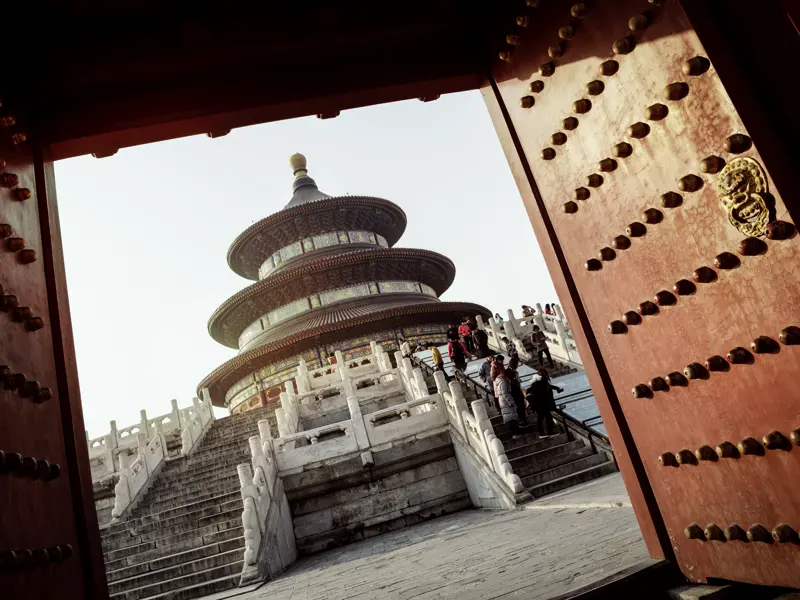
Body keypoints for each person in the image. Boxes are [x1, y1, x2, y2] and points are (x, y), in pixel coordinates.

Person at [526, 368, 563, 438]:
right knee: (542, 418)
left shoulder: (537, 382)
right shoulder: (541, 382)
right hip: (540, 404)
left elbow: (531, 391)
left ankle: (547, 432)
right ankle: (544, 433)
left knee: (546, 417)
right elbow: (543, 390)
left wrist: (557, 389)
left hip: (541, 404)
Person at [493, 361, 522, 439]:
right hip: (506, 402)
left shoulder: (500, 381)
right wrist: (511, 402)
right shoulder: (503, 382)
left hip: (503, 402)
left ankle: (515, 432)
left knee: (510, 417)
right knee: (511, 417)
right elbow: (505, 393)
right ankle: (515, 432)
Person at [506, 356, 529, 426]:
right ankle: (522, 421)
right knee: (519, 407)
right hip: (513, 392)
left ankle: (524, 420)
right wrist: (514, 381)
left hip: (518, 391)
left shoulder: (515, 371)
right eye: (517, 364)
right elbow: (508, 383)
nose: (518, 366)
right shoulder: (507, 372)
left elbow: (518, 382)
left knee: (522, 406)